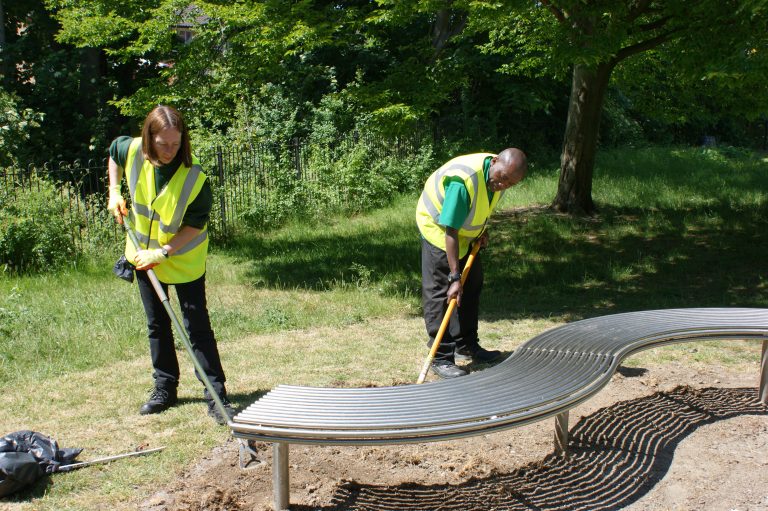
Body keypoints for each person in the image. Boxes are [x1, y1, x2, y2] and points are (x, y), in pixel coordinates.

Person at [106, 105, 236, 424]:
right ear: (149, 137)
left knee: (196, 327)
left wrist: (163, 253)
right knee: (157, 325)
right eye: (162, 143)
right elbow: (113, 153)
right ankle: (165, 387)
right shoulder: (134, 150)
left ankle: (215, 394)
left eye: (176, 144)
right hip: (142, 256)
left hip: (183, 259)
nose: (169, 150)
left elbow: (194, 226)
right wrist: (113, 191)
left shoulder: (195, 179)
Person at [416, 148, 527, 378]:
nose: (504, 185)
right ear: (495, 161)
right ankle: (440, 356)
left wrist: (479, 232)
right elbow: (451, 230)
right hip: (439, 230)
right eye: (503, 178)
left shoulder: (497, 175)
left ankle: (466, 345)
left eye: (511, 183)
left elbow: (479, 209)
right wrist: (454, 277)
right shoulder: (463, 180)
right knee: (442, 292)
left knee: (472, 284)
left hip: (463, 235)